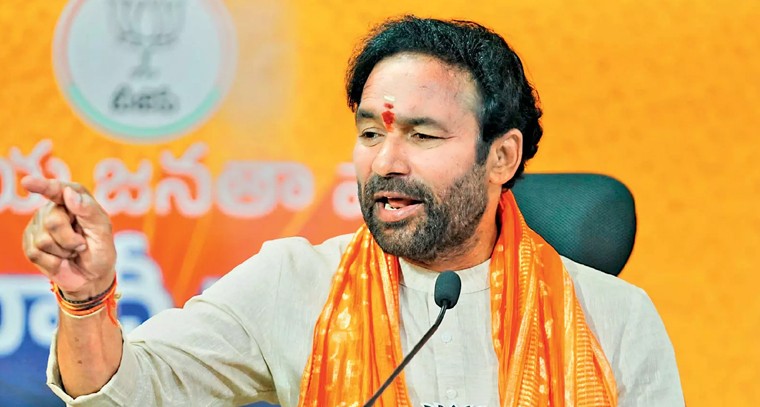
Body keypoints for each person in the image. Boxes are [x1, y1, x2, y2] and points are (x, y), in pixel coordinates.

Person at [22, 16, 684, 407]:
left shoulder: (616, 319)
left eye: (423, 135)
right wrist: (86, 300)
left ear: (501, 156)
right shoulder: (295, 283)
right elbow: (127, 392)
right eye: (370, 133)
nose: (385, 161)